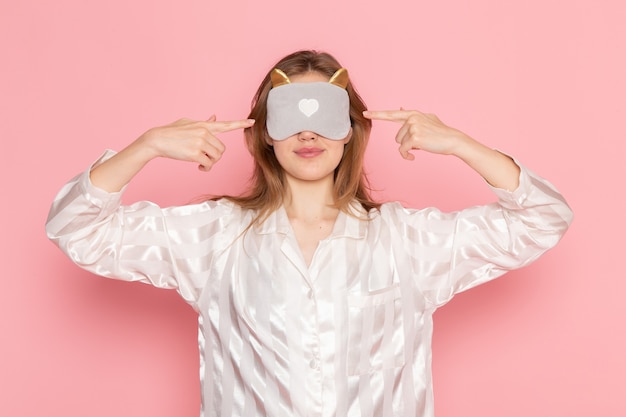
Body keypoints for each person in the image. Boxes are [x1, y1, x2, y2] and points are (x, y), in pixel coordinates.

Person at [46, 50, 573, 417]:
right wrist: (146, 147)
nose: (307, 131)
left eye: (324, 115)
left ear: (351, 132)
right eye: (289, 116)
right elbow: (76, 228)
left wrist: (461, 144)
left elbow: (544, 217)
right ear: (264, 134)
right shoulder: (213, 237)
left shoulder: (407, 242)